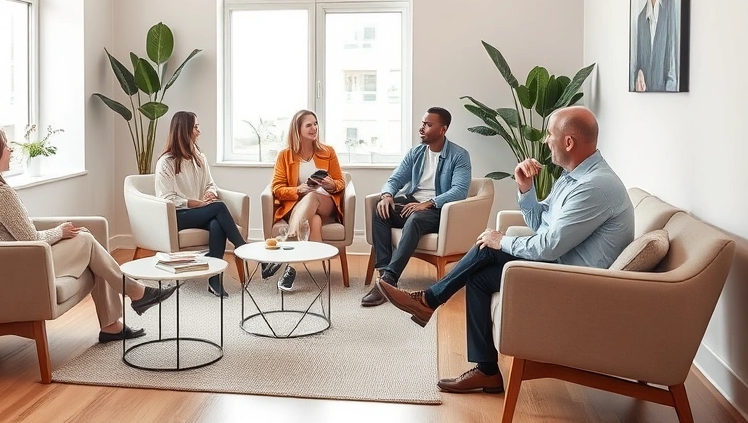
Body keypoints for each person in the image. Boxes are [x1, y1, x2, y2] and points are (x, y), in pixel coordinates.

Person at [378, 106, 634, 394]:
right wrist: (526, 190)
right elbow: (542, 226)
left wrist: (502, 240)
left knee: (489, 247)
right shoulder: (572, 176)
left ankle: (427, 301)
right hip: (559, 265)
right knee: (479, 275)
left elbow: (548, 246)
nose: (546, 141)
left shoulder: (594, 187)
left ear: (568, 142)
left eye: (550, 135)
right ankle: (486, 371)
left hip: (573, 281)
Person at [0, 127, 178, 343]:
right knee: (86, 239)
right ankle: (136, 293)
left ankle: (114, 323)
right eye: (6, 145)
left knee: (89, 248)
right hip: (19, 268)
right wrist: (59, 231)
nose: (11, 150)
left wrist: (60, 233)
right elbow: (30, 240)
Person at [361, 107, 471, 307]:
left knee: (416, 219)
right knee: (381, 209)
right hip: (413, 203)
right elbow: (395, 179)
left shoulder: (459, 156)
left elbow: (459, 191)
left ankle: (389, 280)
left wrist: (428, 203)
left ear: (442, 130)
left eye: (428, 125)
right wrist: (387, 195)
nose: (421, 128)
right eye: (422, 123)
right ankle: (383, 275)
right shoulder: (416, 152)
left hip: (438, 211)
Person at [155, 111, 247, 298]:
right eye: (195, 127)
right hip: (178, 216)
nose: (199, 131)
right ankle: (244, 249)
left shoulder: (199, 157)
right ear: (184, 130)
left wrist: (209, 193)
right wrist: (193, 202)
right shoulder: (166, 162)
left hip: (201, 212)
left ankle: (214, 280)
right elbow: (165, 198)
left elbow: (210, 184)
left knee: (216, 224)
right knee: (219, 207)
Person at [269, 109, 346, 291]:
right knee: (314, 220)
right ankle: (292, 270)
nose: (314, 128)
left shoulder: (328, 152)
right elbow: (277, 188)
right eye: (309, 125)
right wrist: (298, 189)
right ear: (298, 129)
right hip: (297, 207)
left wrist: (330, 184)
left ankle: (287, 244)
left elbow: (340, 182)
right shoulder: (285, 156)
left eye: (315, 124)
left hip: (325, 203)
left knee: (312, 195)